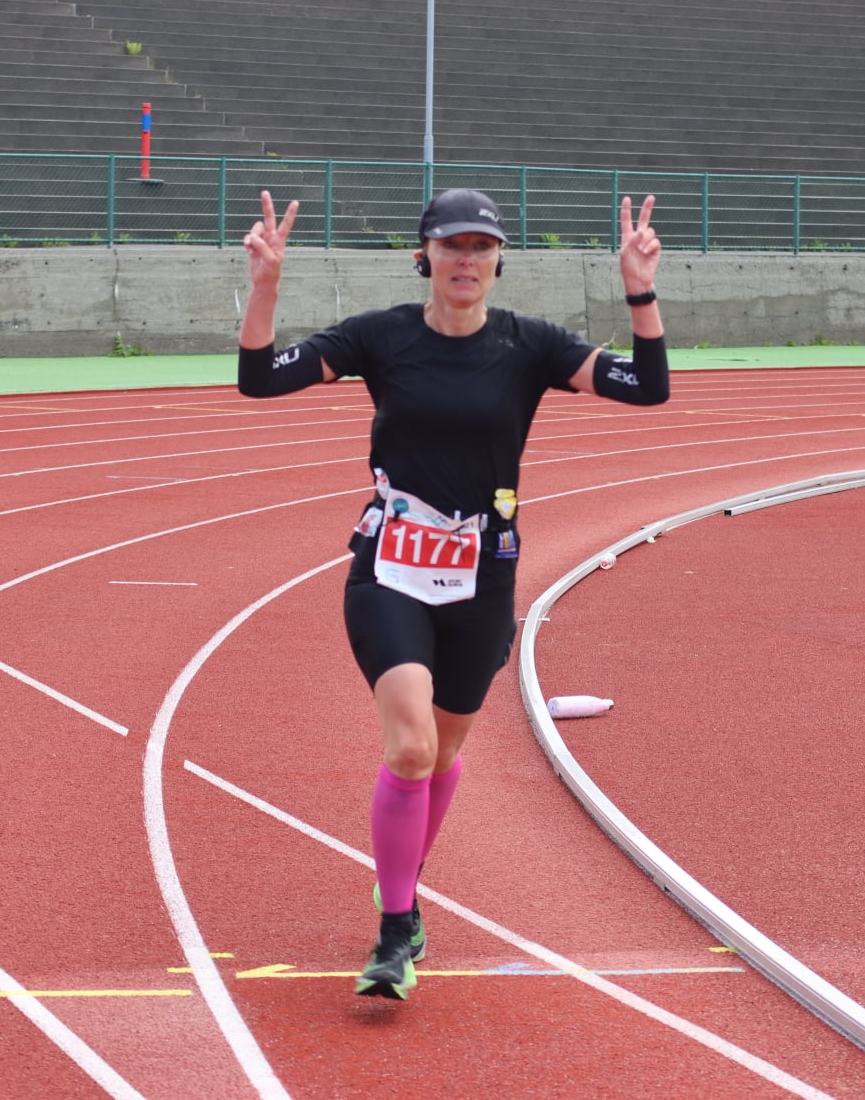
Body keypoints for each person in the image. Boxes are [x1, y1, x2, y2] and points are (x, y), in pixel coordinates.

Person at [237, 187, 670, 1000]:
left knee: (441, 755)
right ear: (425, 255)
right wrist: (266, 286)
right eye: (451, 245)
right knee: (409, 749)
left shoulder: (530, 345)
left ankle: (400, 886)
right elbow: (258, 380)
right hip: (390, 570)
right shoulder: (380, 336)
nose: (466, 260)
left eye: (481, 247)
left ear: (499, 261)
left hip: (482, 577)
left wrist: (639, 291)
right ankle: (396, 926)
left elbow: (647, 388)